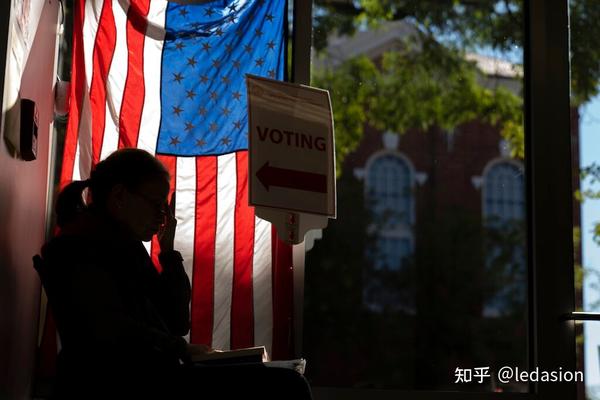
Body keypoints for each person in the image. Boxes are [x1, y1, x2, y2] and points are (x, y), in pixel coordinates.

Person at [37, 148, 312, 399]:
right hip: (121, 382)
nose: (162, 215)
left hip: (151, 376)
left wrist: (168, 252)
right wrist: (181, 349)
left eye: (164, 207)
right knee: (288, 386)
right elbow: (111, 328)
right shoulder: (78, 248)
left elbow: (177, 321)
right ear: (119, 197)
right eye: (155, 204)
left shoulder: (125, 246)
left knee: (288, 379)